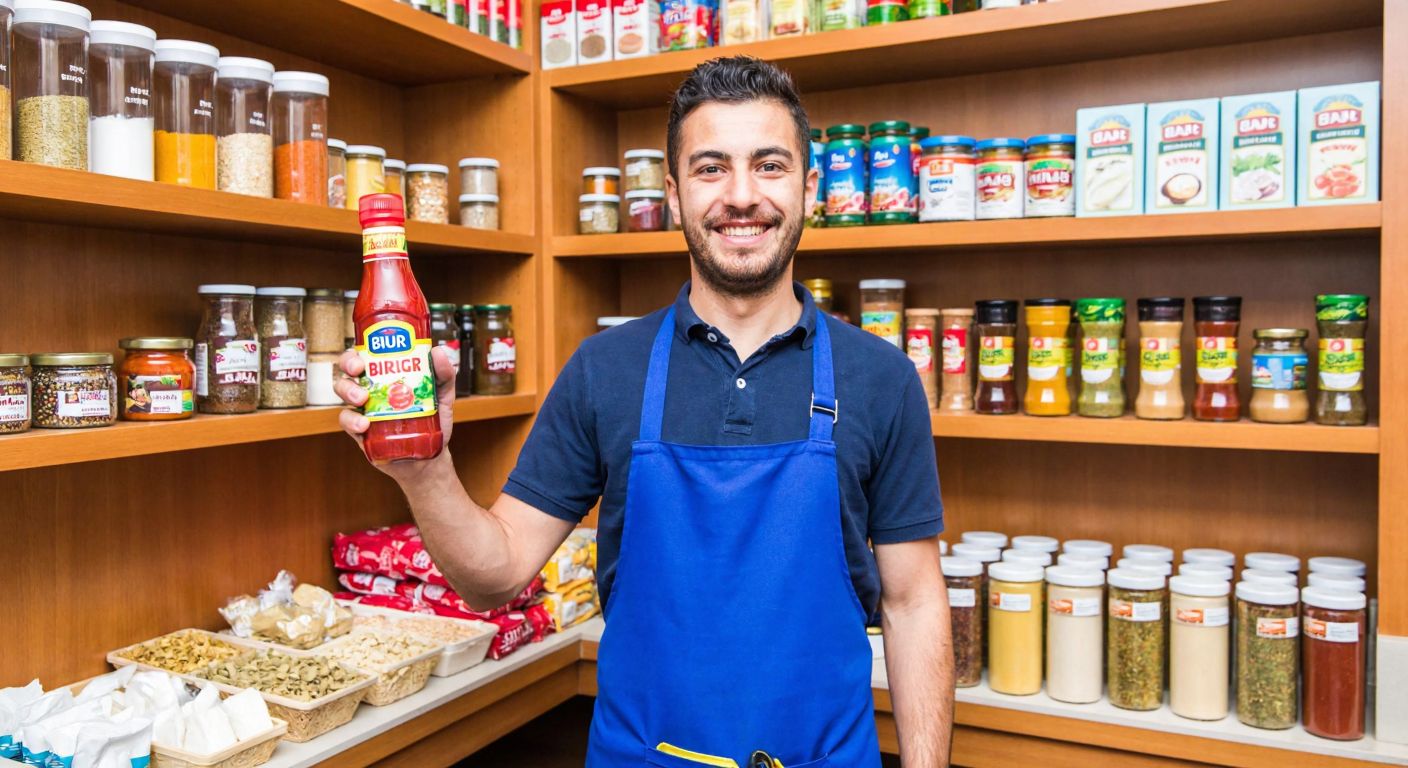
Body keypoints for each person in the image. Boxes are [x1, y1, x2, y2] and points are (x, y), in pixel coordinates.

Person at [337, 55, 953, 767]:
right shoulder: (605, 370)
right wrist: (425, 470)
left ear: (810, 186)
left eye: (771, 165)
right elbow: (495, 574)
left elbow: (913, 605)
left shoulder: (882, 377)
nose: (742, 196)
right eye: (712, 167)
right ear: (674, 192)